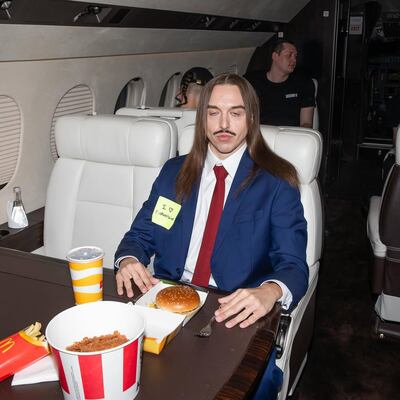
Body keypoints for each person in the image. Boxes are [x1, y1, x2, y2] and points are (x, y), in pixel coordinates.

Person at [114, 73, 308, 399]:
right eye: (213, 112)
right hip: (167, 303)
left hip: (234, 312)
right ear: (201, 118)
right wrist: (129, 259)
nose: (224, 124)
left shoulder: (277, 182)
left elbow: (293, 265)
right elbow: (142, 234)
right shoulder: (174, 173)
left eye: (235, 113)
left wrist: (270, 290)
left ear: (251, 118)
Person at [245, 39, 315, 128]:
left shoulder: (304, 83)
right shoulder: (251, 81)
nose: (294, 60)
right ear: (275, 56)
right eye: (289, 55)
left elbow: (306, 123)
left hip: (290, 134)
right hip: (260, 133)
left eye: (295, 56)